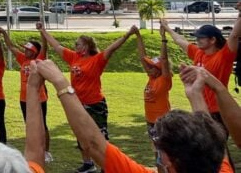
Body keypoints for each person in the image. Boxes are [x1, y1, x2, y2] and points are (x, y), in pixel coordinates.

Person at [33, 59, 231, 173]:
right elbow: (211, 137)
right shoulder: (219, 167)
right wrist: (195, 94)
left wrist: (60, 83)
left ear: (170, 160)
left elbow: (93, 144)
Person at [39, 23, 135, 173]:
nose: (75, 45)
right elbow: (56, 46)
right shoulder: (74, 57)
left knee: (101, 137)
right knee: (81, 134)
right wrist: (43, 31)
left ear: (86, 46)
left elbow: (112, 48)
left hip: (95, 104)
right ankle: (88, 164)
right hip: (78, 103)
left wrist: (128, 34)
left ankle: (106, 165)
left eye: (78, 43)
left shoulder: (97, 59)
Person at [161, 15, 241, 122]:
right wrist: (166, 27)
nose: (197, 40)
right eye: (197, 37)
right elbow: (179, 40)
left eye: (201, 37)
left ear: (213, 40)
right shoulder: (198, 53)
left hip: (218, 111)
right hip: (200, 107)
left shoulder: (224, 56)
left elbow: (234, 35)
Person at [0, 26, 52, 162]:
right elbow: (11, 47)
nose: (25, 50)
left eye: (28, 49)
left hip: (39, 98)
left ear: (34, 52)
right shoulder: (23, 59)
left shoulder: (39, 59)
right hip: (24, 98)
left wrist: (42, 31)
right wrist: (4, 33)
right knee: (30, 125)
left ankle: (46, 152)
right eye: (25, 48)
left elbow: (45, 47)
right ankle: (34, 150)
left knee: (42, 124)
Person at [133, 23, 172, 153]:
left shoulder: (164, 80)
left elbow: (165, 60)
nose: (148, 69)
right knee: (157, 153)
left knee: (164, 153)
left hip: (161, 121)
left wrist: (163, 38)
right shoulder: (152, 77)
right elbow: (142, 56)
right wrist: (138, 36)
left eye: (152, 67)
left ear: (160, 70)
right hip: (150, 120)